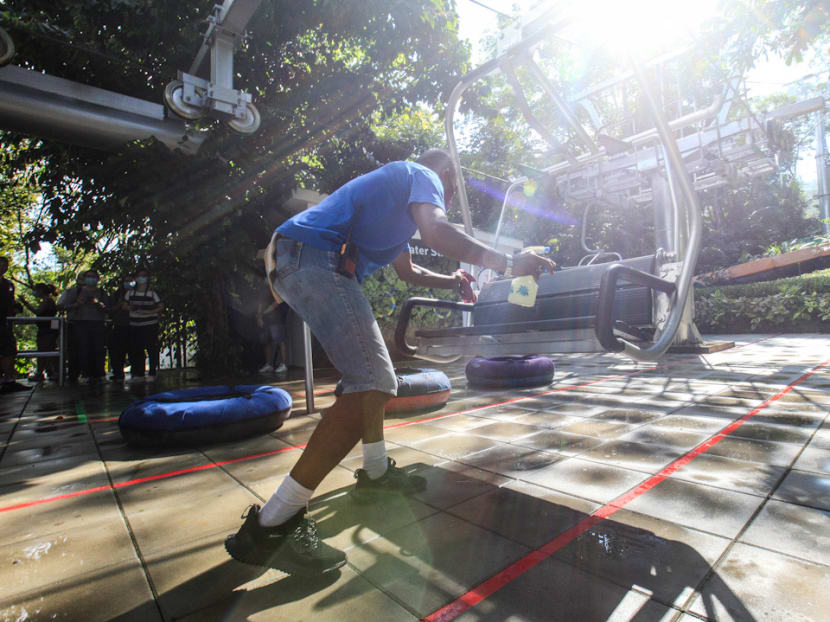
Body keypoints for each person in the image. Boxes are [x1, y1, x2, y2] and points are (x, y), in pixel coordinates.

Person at [225, 149, 555, 575]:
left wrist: (452, 280)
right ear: (447, 178)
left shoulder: (394, 210)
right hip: (314, 258)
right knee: (374, 380)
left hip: (302, 257)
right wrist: (510, 262)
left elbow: (410, 271)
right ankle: (274, 523)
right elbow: (436, 232)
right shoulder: (423, 174)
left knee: (367, 379)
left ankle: (376, 473)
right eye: (452, 190)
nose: (449, 198)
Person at [59, 269, 109, 386]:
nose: (91, 279)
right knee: (82, 349)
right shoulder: (74, 291)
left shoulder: (102, 292)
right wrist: (77, 304)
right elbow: (62, 307)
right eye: (88, 277)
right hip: (79, 323)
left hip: (98, 323)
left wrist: (99, 304)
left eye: (93, 277)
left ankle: (99, 374)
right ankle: (85, 374)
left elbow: (107, 308)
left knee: (98, 349)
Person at [124, 267, 162, 383]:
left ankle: (152, 372)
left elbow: (160, 306)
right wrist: (133, 308)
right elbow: (124, 306)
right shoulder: (130, 293)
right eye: (139, 276)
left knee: (151, 348)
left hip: (150, 324)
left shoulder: (152, 293)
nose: (142, 278)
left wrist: (149, 312)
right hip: (135, 324)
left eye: (144, 276)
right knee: (136, 349)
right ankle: (137, 374)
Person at [18, 283, 60, 382]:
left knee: (46, 350)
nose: (35, 293)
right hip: (45, 329)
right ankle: (48, 372)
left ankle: (50, 372)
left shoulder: (48, 301)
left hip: (48, 330)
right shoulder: (46, 301)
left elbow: (38, 312)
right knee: (44, 350)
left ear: (41, 290)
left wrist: (26, 303)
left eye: (36, 290)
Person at [0, 256, 29, 393]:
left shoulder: (8, 284)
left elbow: (10, 302)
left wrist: (15, 307)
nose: (3, 267)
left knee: (9, 349)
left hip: (5, 322)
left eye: (5, 265)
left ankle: (8, 380)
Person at [57, 272, 85, 384]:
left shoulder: (97, 292)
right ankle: (73, 374)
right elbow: (59, 306)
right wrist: (74, 306)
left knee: (90, 350)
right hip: (74, 324)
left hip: (92, 324)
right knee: (74, 351)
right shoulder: (69, 292)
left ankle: (90, 374)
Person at [257, 287, 289, 374]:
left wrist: (262, 314)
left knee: (280, 340)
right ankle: (269, 365)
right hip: (267, 319)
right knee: (267, 341)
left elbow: (276, 303)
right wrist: (259, 316)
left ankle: (284, 364)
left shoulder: (279, 288)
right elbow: (261, 301)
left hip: (278, 318)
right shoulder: (265, 291)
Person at [108, 275, 133, 381]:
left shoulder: (140, 293)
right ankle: (118, 373)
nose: (128, 283)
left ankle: (137, 373)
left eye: (130, 281)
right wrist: (119, 305)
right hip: (119, 325)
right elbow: (109, 309)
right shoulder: (117, 294)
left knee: (134, 350)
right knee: (118, 352)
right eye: (126, 281)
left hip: (135, 325)